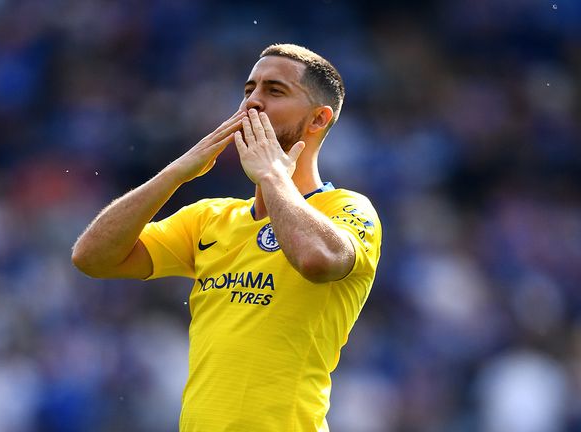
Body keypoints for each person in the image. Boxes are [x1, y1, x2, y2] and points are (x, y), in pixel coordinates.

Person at [72, 43, 382, 431]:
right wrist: (177, 173)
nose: (252, 103)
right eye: (248, 89)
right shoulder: (209, 218)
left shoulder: (347, 210)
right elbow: (92, 257)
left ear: (318, 119)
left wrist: (272, 176)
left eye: (274, 91)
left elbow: (317, 260)